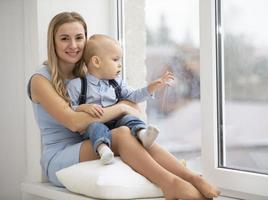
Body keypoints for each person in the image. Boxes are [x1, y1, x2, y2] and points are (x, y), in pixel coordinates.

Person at [27, 11, 220, 199]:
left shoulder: (90, 72)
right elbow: (74, 122)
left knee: (137, 135)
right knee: (121, 134)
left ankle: (191, 177)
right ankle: (170, 184)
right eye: (64, 38)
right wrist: (120, 108)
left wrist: (125, 106)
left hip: (90, 141)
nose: (73, 45)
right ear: (53, 42)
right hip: (61, 155)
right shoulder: (40, 80)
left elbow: (130, 101)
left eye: (79, 37)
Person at [66, 34, 174, 165]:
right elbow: (70, 110)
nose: (120, 65)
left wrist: (152, 87)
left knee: (129, 118)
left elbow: (134, 96)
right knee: (96, 127)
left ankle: (142, 133)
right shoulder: (77, 85)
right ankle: (103, 149)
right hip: (93, 125)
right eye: (115, 60)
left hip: (117, 123)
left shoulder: (117, 83)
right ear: (96, 62)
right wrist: (84, 107)